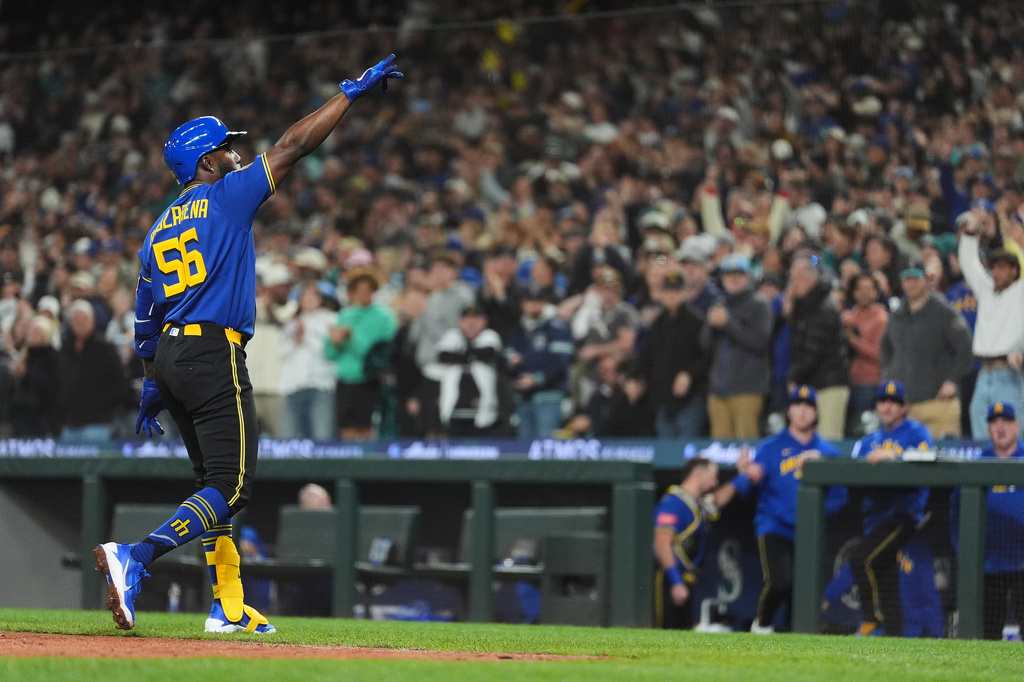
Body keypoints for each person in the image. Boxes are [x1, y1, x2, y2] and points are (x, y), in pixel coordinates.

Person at [93, 55, 403, 633]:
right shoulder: (230, 194)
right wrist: (348, 97)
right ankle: (134, 557)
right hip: (213, 352)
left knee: (212, 484)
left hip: (172, 356)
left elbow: (144, 319)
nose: (238, 154)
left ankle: (227, 604)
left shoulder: (157, 227)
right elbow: (293, 145)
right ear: (207, 161)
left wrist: (153, 385)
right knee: (232, 486)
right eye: (227, 148)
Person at [733, 385, 847, 633]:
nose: (803, 412)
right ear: (789, 411)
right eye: (797, 406)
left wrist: (816, 513)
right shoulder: (770, 447)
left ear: (816, 413)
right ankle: (762, 625)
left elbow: (840, 496)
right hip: (774, 525)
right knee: (780, 581)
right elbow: (744, 488)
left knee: (803, 591)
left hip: (810, 530)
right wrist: (747, 476)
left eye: (808, 407)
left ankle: (791, 634)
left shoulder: (828, 452)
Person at [849, 380, 934, 637]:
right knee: (886, 578)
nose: (887, 406)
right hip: (875, 516)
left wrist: (894, 459)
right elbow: (852, 471)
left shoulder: (917, 432)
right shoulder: (869, 440)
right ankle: (894, 636)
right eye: (882, 401)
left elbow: (926, 466)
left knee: (860, 558)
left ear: (904, 407)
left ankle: (871, 619)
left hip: (903, 515)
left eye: (893, 402)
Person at [653, 454, 758, 629]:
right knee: (666, 634)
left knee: (682, 636)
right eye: (713, 476)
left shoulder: (696, 503)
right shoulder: (673, 502)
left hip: (688, 579)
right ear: (699, 475)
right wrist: (676, 582)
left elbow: (717, 500)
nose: (716, 482)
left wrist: (743, 476)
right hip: (669, 579)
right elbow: (662, 543)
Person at [950, 402, 1024, 640]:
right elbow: (955, 511)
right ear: (988, 429)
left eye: (1006, 422)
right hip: (989, 564)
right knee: (988, 635)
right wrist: (963, 549)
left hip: (1022, 562)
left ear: (1017, 426)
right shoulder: (977, 462)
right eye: (994, 423)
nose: (1000, 427)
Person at [880, 265, 974, 439]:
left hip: (938, 405)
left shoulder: (943, 311)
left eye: (915, 279)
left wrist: (952, 381)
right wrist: (888, 375)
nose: (911, 284)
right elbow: (886, 348)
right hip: (905, 407)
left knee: (942, 461)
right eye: (907, 280)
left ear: (925, 281)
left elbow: (965, 348)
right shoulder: (897, 314)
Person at [958, 208, 1024, 439]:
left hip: (1011, 375)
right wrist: (971, 233)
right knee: (980, 429)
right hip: (984, 373)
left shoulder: (1020, 292)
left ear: (1015, 271)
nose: (996, 273)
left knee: (1012, 436)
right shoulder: (986, 291)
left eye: (1002, 268)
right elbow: (969, 263)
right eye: (993, 267)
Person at [702, 253, 773, 439]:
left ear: (747, 277)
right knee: (720, 451)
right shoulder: (718, 303)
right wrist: (710, 326)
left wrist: (727, 323)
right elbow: (705, 346)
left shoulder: (759, 304)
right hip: (718, 390)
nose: (733, 279)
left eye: (738, 275)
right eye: (728, 275)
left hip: (747, 389)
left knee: (746, 447)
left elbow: (760, 342)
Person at [325, 267, 397, 440]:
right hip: (344, 381)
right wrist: (334, 342)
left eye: (367, 290)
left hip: (370, 381)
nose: (362, 294)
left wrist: (351, 338)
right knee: (346, 430)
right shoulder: (345, 315)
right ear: (351, 293)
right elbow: (329, 354)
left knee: (368, 431)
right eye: (357, 291)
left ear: (374, 291)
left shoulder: (384, 316)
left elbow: (378, 354)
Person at [633, 271, 708, 437]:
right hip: (662, 396)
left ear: (685, 293)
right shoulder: (658, 324)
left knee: (686, 447)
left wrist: (689, 373)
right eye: (668, 292)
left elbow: (706, 356)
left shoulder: (697, 322)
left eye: (676, 291)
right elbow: (646, 354)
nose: (672, 296)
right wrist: (634, 376)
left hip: (690, 397)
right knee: (665, 451)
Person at [786, 256, 850, 440]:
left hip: (830, 384)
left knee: (828, 439)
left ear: (811, 279)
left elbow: (813, 348)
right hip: (816, 382)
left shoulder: (822, 307)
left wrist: (793, 377)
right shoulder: (807, 304)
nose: (792, 284)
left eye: (796, 278)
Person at [505, 283, 574, 439]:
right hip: (523, 397)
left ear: (544, 303)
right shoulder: (518, 330)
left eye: (537, 301)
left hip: (549, 396)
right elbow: (508, 356)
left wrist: (537, 379)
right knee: (524, 448)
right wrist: (511, 361)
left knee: (545, 447)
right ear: (522, 304)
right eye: (530, 301)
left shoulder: (557, 327)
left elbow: (561, 362)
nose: (533, 305)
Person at [59, 299, 131, 443]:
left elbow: (120, 384)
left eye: (84, 319)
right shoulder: (64, 350)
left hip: (98, 424)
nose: (80, 323)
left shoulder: (105, 349)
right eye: (76, 319)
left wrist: (103, 408)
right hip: (68, 424)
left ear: (92, 321)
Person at [431, 301, 506, 437]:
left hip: (483, 409)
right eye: (467, 319)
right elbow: (442, 356)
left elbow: (488, 353)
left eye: (476, 319)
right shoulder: (452, 336)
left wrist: (461, 355)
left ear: (484, 321)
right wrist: (471, 355)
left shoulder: (489, 336)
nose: (471, 324)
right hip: (454, 407)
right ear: (460, 321)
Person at [276, 283, 337, 441]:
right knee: (288, 437)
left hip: (321, 385)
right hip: (293, 385)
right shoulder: (292, 322)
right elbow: (280, 352)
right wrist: (296, 340)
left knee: (321, 436)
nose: (308, 300)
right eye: (305, 297)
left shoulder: (331, 319)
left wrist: (305, 336)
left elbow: (330, 351)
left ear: (321, 299)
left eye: (313, 296)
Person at [841, 273, 888, 437]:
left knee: (864, 429)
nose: (864, 293)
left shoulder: (881, 318)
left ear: (876, 292)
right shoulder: (846, 317)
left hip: (869, 382)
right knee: (847, 431)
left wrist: (853, 341)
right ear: (853, 293)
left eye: (869, 289)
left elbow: (880, 354)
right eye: (860, 289)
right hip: (846, 382)